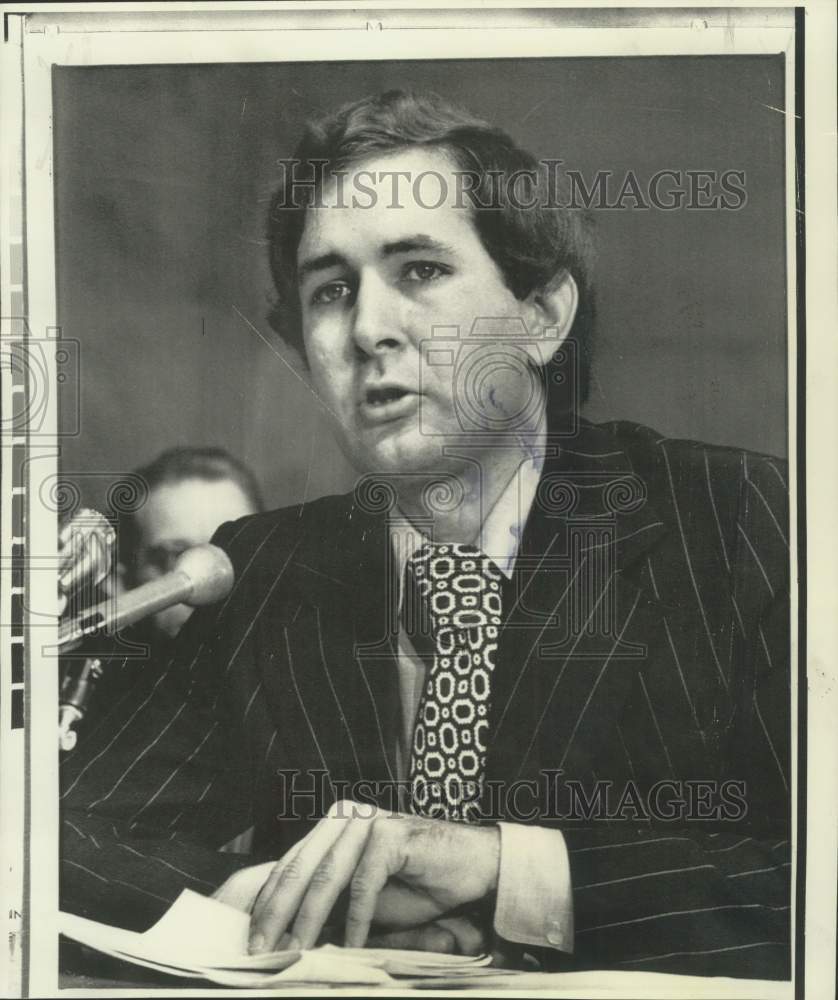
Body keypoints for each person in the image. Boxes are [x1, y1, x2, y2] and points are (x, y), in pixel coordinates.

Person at [60, 91, 790, 978]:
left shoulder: (738, 518)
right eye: (330, 292)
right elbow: (58, 833)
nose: (368, 330)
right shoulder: (264, 571)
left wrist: (496, 870)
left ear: (542, 316)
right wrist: (275, 899)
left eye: (419, 271)